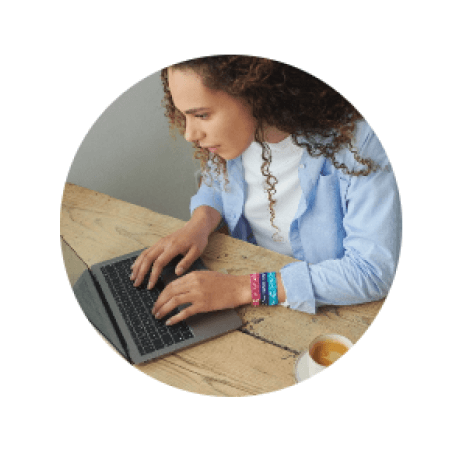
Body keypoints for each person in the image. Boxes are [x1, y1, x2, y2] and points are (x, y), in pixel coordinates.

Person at [129, 55, 402, 326]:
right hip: (254, 280)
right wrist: (199, 223)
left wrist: (241, 289)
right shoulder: (235, 137)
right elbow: (215, 180)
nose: (189, 134)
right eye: (184, 115)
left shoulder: (360, 142)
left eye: (201, 115)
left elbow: (373, 271)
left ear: (255, 93)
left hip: (331, 313)